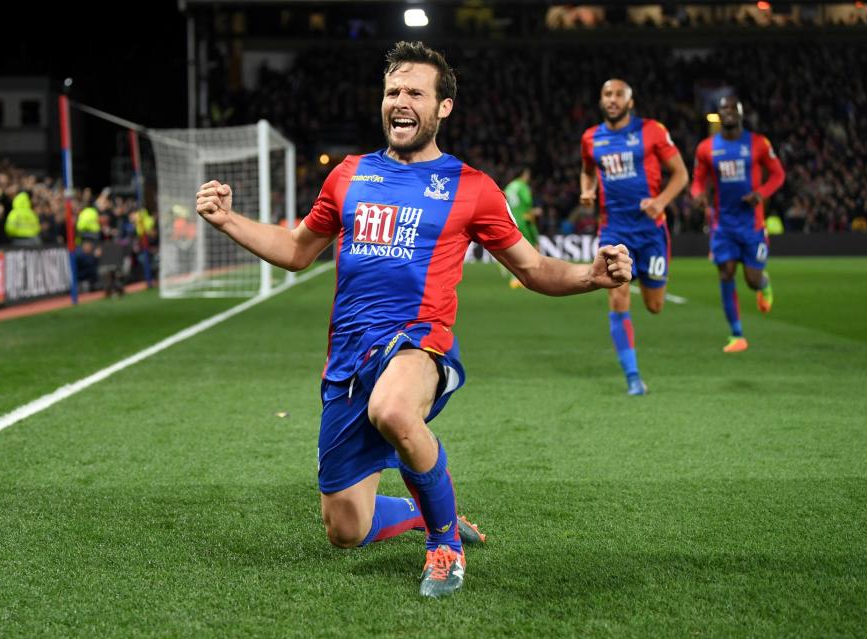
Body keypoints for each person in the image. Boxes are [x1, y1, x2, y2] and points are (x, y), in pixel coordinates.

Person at [196, 41, 632, 598]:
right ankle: (417, 507)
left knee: (394, 409)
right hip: (348, 360)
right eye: (392, 92)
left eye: (414, 93)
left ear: (442, 107)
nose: (400, 101)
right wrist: (230, 220)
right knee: (345, 529)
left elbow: (534, 267)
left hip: (417, 345)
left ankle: (444, 546)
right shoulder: (349, 175)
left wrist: (591, 276)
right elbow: (298, 248)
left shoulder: (472, 188)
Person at [579, 79, 689, 395]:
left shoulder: (652, 130)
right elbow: (587, 170)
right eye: (606, 95)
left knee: (655, 306)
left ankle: (642, 273)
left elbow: (681, 173)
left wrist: (660, 203)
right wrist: (588, 190)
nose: (612, 100)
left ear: (630, 101)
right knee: (617, 296)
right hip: (613, 230)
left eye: (618, 95)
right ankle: (633, 378)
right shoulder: (591, 138)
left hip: (651, 232)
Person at [691, 96, 786, 353]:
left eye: (733, 108)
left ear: (741, 113)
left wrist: (761, 194)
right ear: (719, 115)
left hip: (752, 225)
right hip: (723, 225)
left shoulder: (758, 143)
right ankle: (737, 335)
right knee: (726, 273)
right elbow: (697, 180)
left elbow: (778, 175)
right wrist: (698, 195)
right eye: (724, 108)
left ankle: (763, 286)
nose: (728, 112)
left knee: (752, 279)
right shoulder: (706, 148)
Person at [503, 168, 542, 289]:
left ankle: (515, 277)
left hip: (511, 220)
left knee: (516, 249)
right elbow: (527, 201)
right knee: (532, 247)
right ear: (524, 174)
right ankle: (531, 278)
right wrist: (534, 212)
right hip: (524, 220)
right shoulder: (523, 186)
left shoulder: (509, 187)